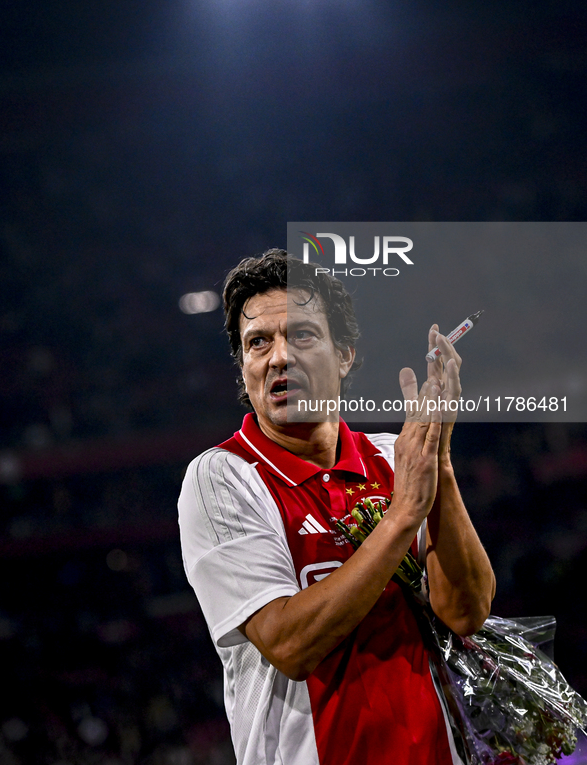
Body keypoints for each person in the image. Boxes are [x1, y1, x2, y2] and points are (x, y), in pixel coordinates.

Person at [178, 248, 496, 765]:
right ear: (244, 368)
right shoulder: (221, 478)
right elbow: (291, 645)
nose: (279, 356)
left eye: (301, 335)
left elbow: (465, 612)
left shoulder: (397, 457)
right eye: (258, 343)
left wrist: (438, 462)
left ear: (344, 353)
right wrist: (402, 516)